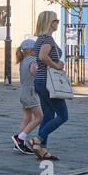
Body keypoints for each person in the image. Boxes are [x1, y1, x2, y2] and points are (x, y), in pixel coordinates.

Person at [28, 10, 68, 160]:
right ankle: (37, 140)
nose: (58, 23)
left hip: (41, 81)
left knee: (49, 115)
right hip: (48, 83)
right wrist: (57, 65)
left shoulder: (40, 39)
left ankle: (42, 149)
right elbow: (42, 57)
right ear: (50, 23)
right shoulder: (47, 40)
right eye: (56, 20)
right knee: (63, 115)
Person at [11, 38, 42, 154]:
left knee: (27, 118)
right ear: (31, 51)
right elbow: (34, 72)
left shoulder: (23, 61)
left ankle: (19, 143)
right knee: (40, 117)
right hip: (30, 93)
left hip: (23, 92)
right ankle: (20, 138)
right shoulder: (32, 60)